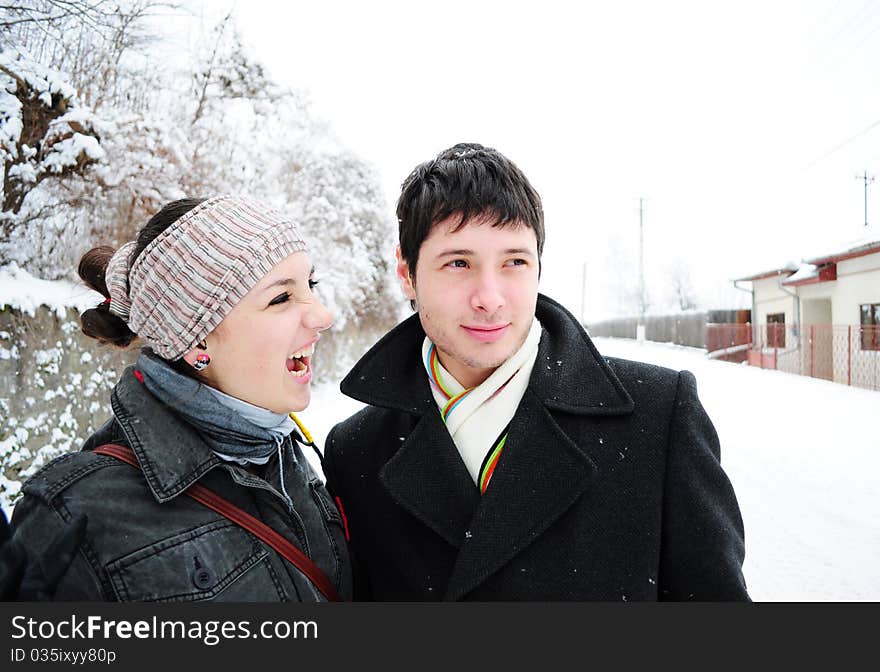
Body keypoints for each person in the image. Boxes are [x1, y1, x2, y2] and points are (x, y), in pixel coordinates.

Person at [323, 143, 749, 601]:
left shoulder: (658, 417)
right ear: (407, 273)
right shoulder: (356, 451)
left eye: (515, 262)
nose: (490, 297)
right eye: (459, 263)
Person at [4, 196, 351, 602]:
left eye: (310, 285)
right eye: (280, 298)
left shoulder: (287, 458)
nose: (323, 316)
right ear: (197, 340)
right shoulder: (76, 516)